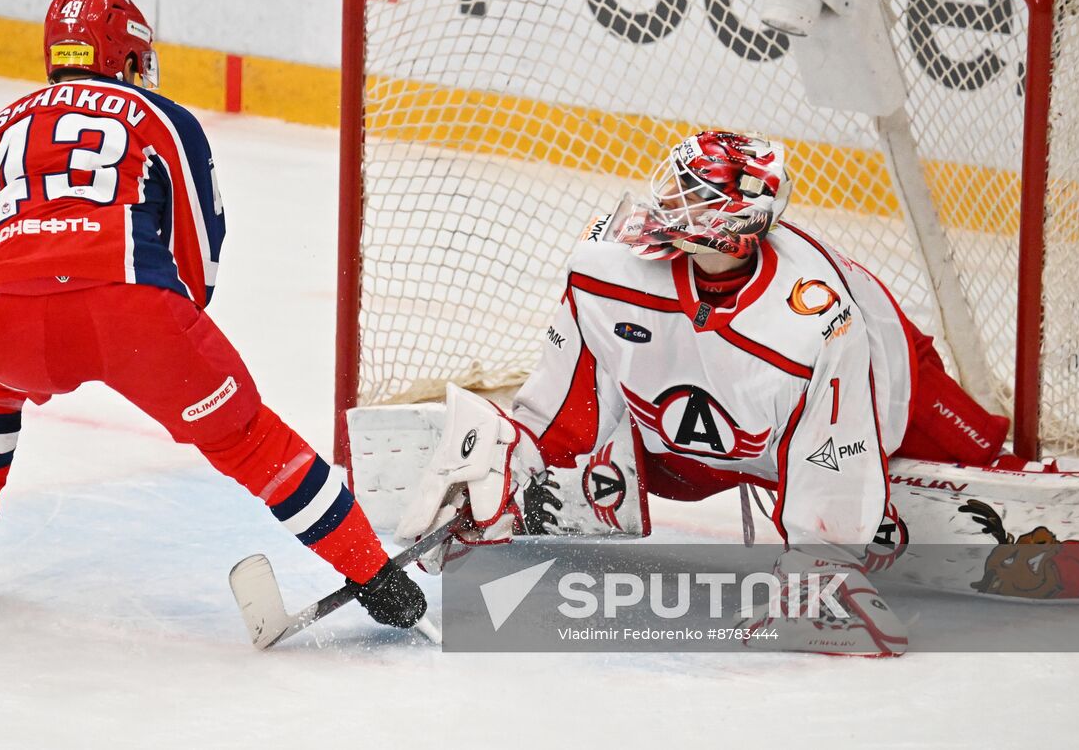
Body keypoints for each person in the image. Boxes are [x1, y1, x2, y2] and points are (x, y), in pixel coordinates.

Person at [395, 130, 1011, 656]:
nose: (666, 200)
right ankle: (631, 463)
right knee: (648, 444)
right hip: (705, 440)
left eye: (689, 192)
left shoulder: (812, 321)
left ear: (733, 218)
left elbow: (833, 452)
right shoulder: (607, 268)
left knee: (981, 449)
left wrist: (822, 564)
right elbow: (566, 398)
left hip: (885, 374)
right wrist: (512, 464)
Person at [0, 0, 424, 630]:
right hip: (136, 318)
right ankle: (375, 575)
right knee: (248, 438)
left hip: (9, 323)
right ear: (127, 56)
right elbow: (199, 249)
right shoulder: (159, 117)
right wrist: (169, 334)